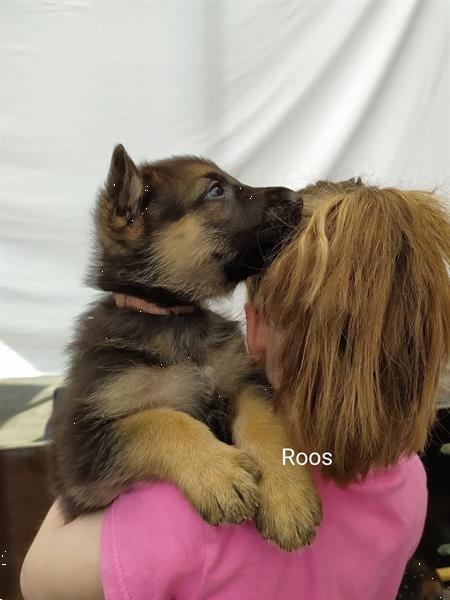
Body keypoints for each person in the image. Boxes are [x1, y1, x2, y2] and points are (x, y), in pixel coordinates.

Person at [20, 180, 450, 600]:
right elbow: (304, 457)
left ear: (255, 330)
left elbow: (37, 579)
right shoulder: (408, 477)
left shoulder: (181, 522)